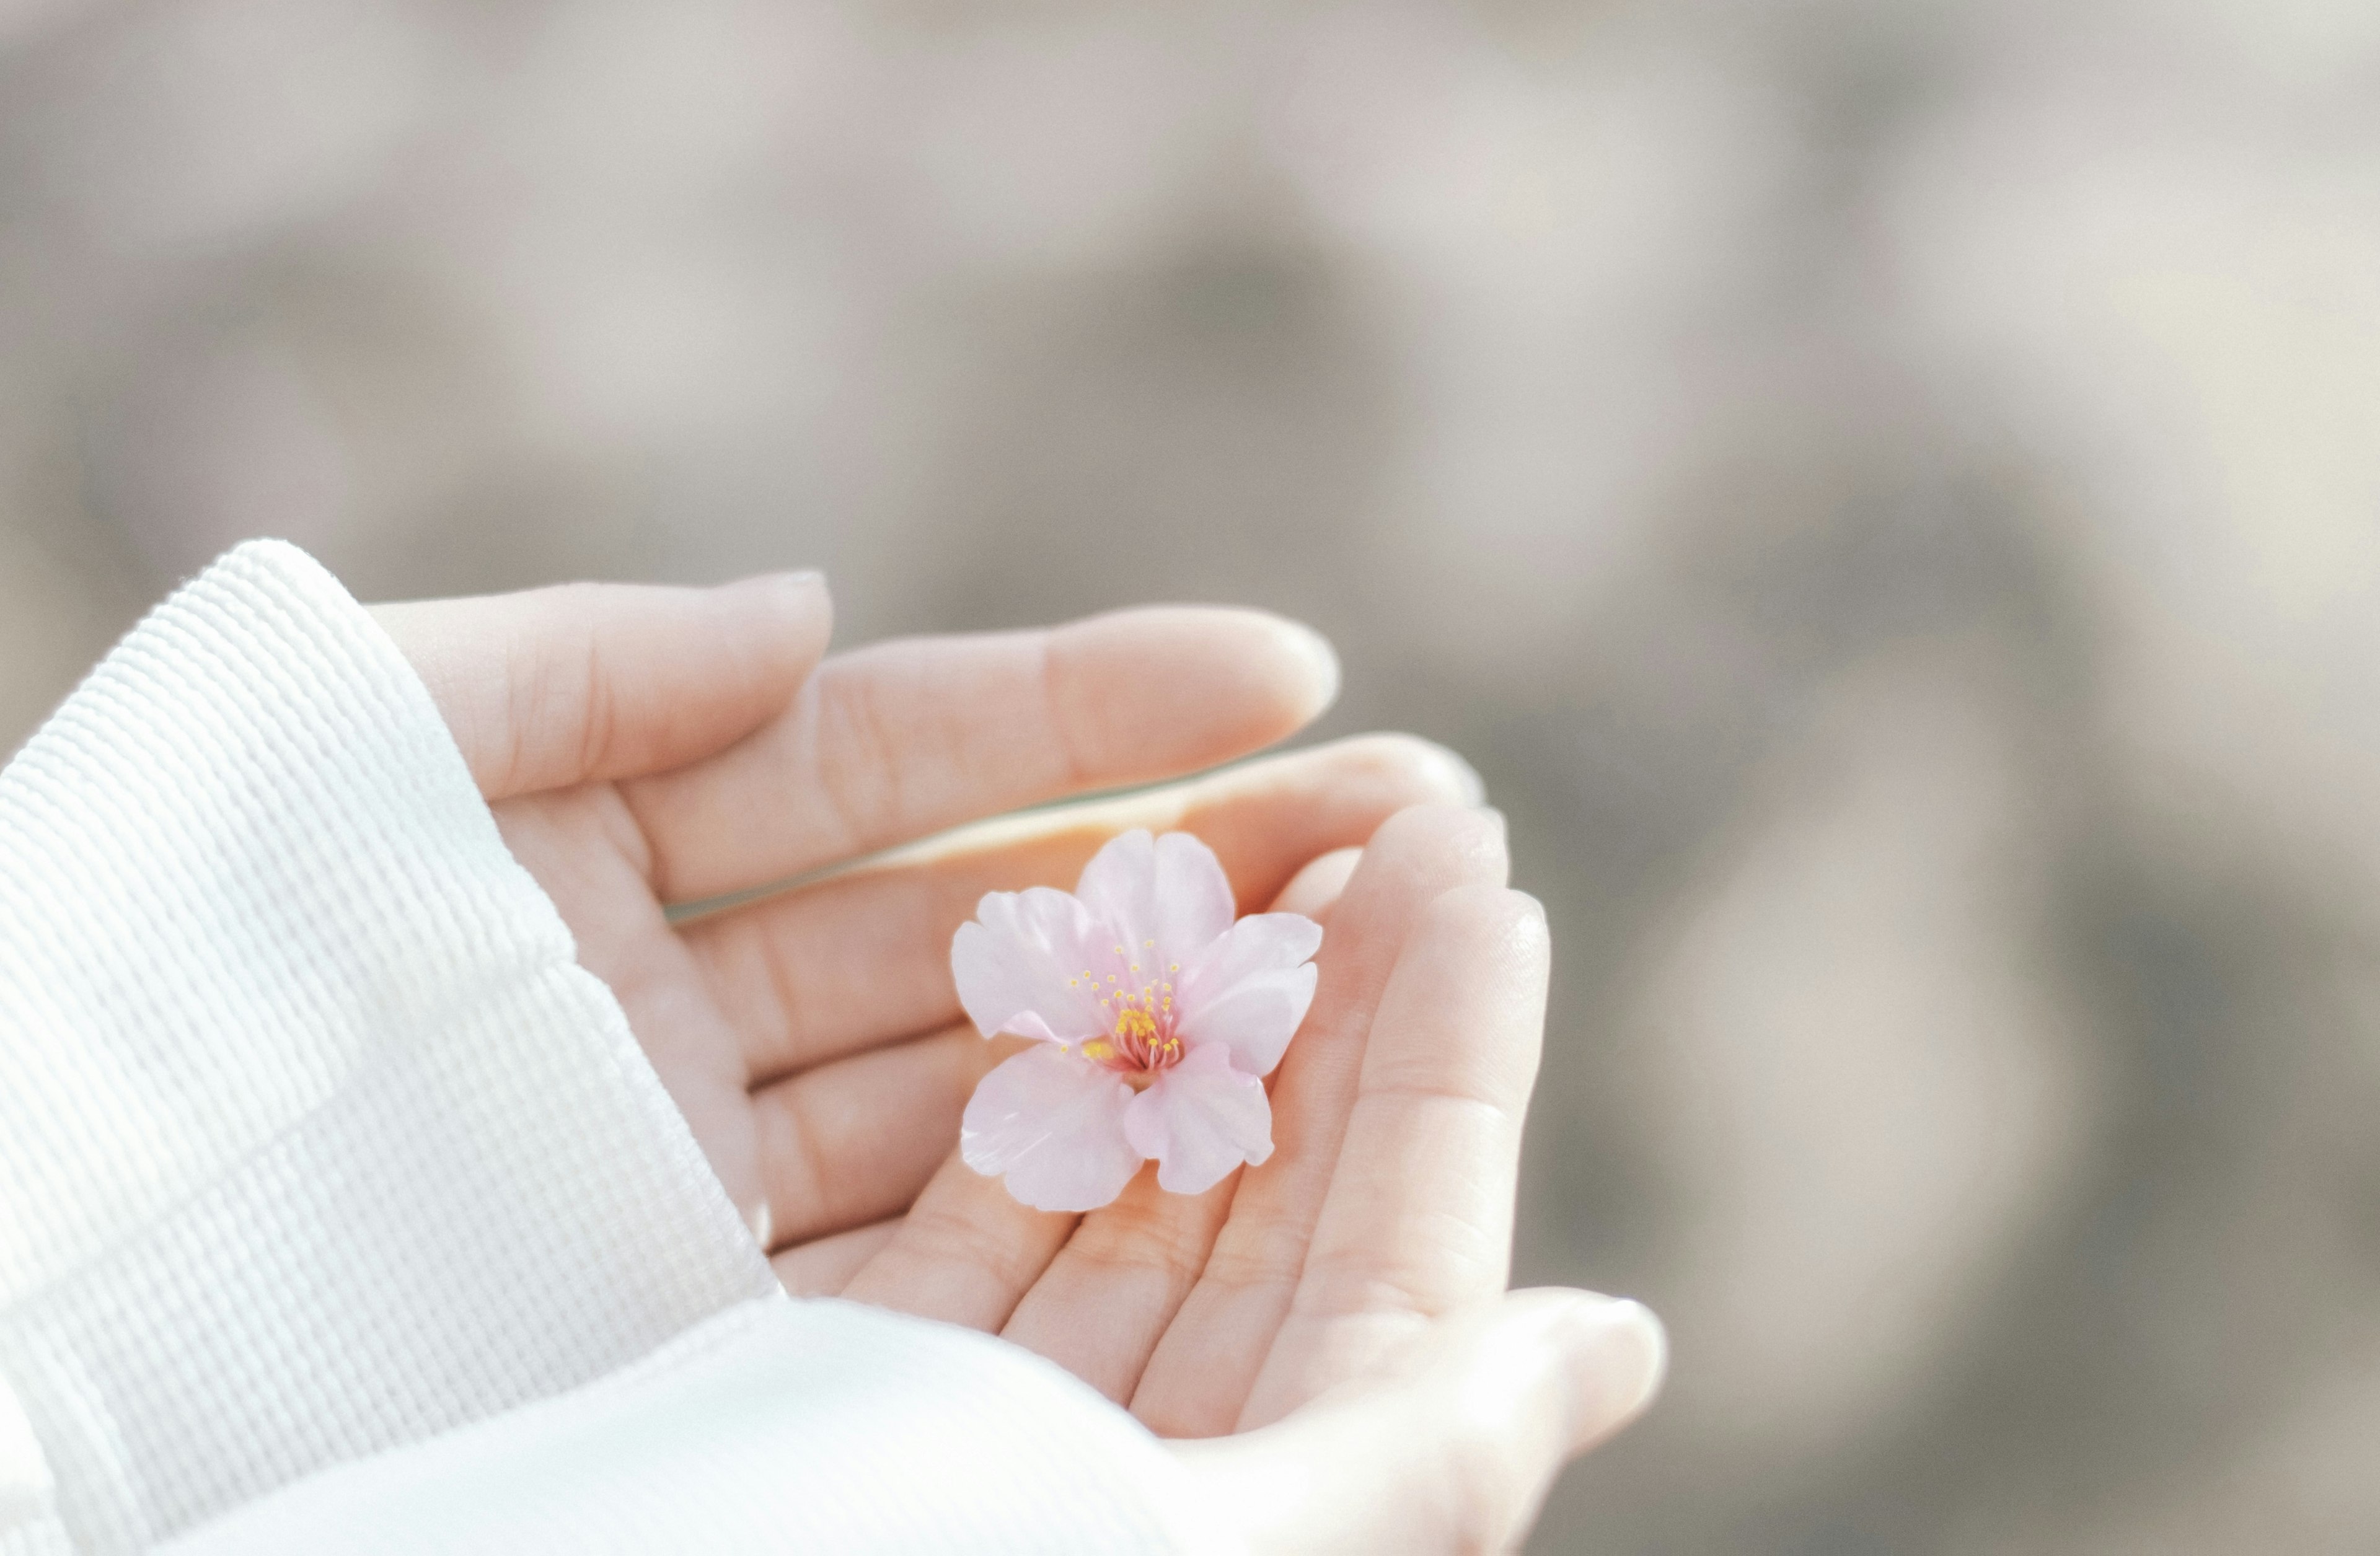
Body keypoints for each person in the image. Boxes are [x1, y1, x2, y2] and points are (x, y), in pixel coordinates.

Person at [0, 541, 1665, 1554]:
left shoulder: (1181, 1050)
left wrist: (80, 1132)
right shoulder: (1080, 1049)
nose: (1142, 1035)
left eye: (1146, 1032)